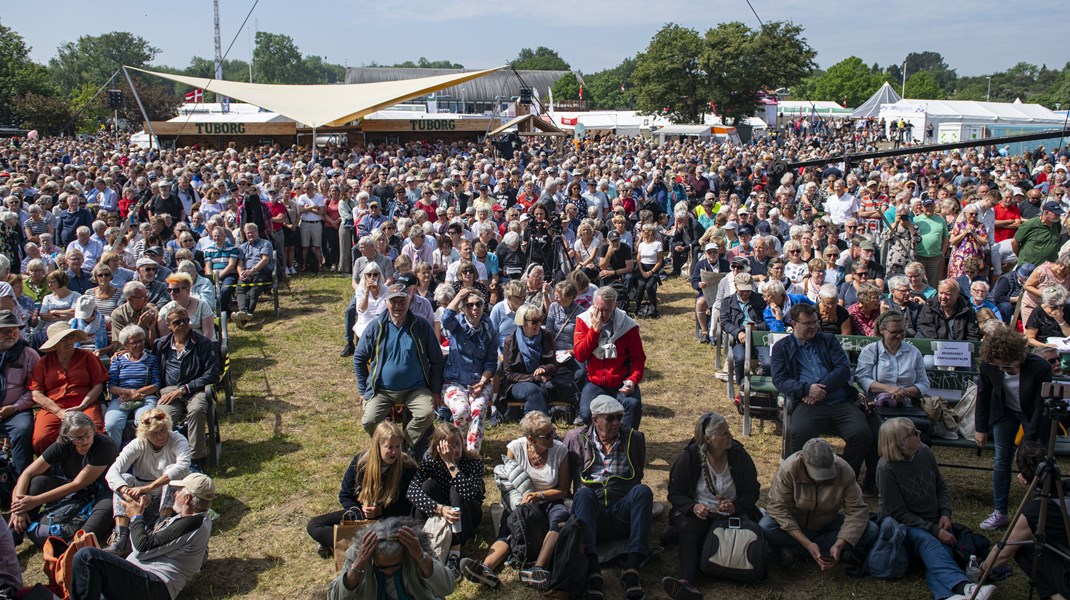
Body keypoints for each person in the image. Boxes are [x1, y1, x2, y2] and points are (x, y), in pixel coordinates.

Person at [875, 418, 996, 600]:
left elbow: (940, 486)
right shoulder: (886, 468)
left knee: (940, 552)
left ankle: (948, 597)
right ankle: (967, 588)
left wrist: (945, 513)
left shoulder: (924, 452)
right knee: (931, 543)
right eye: (914, 433)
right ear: (900, 443)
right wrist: (934, 530)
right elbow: (897, 512)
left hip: (935, 520)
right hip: (905, 525)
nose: (919, 435)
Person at [459, 411, 571, 590]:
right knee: (508, 528)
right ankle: (486, 568)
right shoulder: (515, 448)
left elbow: (563, 489)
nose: (553, 437)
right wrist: (520, 503)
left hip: (550, 499)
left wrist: (539, 495)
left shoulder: (560, 451)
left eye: (553, 431)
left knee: (559, 518)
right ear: (531, 439)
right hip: (520, 501)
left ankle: (538, 568)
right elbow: (507, 482)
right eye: (547, 435)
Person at [662, 412, 761, 600]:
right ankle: (686, 582)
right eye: (723, 433)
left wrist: (736, 506)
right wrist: (693, 507)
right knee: (689, 528)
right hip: (701, 514)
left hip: (732, 516)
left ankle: (677, 536)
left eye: (728, 431)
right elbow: (675, 493)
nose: (729, 436)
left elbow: (752, 492)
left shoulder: (738, 455)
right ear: (708, 439)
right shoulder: (690, 457)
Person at [70, 473, 214, 600]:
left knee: (87, 557)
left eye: (179, 491)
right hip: (145, 583)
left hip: (152, 586)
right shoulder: (197, 520)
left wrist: (136, 517)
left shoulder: (192, 523)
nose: (175, 494)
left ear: (187, 499)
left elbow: (142, 549)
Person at [564, 395, 652, 600]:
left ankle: (632, 568)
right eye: (610, 419)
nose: (616, 423)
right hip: (590, 513)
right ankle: (593, 568)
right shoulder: (575, 438)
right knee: (583, 493)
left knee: (642, 491)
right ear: (595, 419)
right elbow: (567, 477)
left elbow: (638, 474)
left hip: (621, 511)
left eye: (619, 418)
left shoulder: (634, 438)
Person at [770, 303, 873, 478]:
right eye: (807, 323)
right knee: (799, 432)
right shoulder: (782, 347)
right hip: (807, 404)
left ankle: (845, 477)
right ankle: (801, 477)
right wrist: (806, 389)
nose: (813, 327)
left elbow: (843, 369)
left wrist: (818, 390)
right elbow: (780, 380)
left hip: (838, 400)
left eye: (815, 322)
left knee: (862, 433)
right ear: (794, 324)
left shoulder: (828, 340)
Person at [975, 326, 1053, 531]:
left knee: (1037, 460)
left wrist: (1027, 443)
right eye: (999, 367)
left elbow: (1040, 406)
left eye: (1008, 366)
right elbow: (983, 395)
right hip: (1004, 412)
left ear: (1019, 355)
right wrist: (980, 428)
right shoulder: (989, 365)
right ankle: (1000, 511)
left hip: (1033, 415)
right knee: (1001, 459)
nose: (1003, 370)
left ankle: (1040, 511)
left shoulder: (1040, 367)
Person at [761, 438, 877, 570]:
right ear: (803, 460)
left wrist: (840, 542)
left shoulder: (844, 470)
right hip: (794, 525)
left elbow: (857, 510)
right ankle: (819, 548)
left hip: (827, 523)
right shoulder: (788, 469)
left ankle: (797, 551)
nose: (821, 479)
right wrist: (807, 543)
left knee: (870, 530)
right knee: (766, 527)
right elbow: (778, 509)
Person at [306, 421, 417, 558]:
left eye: (398, 446)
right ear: (378, 446)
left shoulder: (407, 467)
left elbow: (410, 505)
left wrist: (382, 510)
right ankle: (356, 545)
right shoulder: (361, 462)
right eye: (389, 447)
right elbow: (345, 495)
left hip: (390, 520)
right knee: (314, 525)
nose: (394, 452)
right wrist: (359, 512)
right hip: (361, 518)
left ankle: (347, 545)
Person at [354, 284, 443, 452]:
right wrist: (362, 390)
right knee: (369, 420)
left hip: (416, 389)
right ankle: (387, 445)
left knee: (427, 413)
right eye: (393, 302)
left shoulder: (421, 325)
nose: (398, 306)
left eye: (402, 301)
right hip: (382, 390)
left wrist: (436, 390)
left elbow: (437, 360)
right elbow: (359, 358)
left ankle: (402, 445)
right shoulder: (376, 326)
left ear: (408, 301)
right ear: (386, 303)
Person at [8, 411, 117, 544]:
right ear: (68, 437)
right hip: (71, 488)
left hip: (101, 491)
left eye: (87, 434)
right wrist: (18, 508)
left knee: (107, 506)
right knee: (37, 482)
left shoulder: (105, 446)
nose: (84, 440)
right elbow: (27, 473)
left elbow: (79, 483)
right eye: (77, 437)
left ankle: (75, 545)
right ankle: (12, 537)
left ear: (93, 430)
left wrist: (35, 500)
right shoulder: (63, 444)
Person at [980, 441, 1069, 599]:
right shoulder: (1066, 487)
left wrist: (982, 569)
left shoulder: (1036, 510)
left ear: (1023, 478)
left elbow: (1003, 551)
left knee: (1023, 548)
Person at [103, 408, 191, 556]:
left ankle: (162, 525)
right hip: (145, 499)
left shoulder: (177, 439)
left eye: (163, 430)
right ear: (145, 434)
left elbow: (183, 466)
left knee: (172, 472)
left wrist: (148, 487)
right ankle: (121, 536)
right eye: (154, 433)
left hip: (171, 496)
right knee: (124, 478)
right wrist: (125, 490)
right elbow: (112, 472)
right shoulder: (138, 444)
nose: (160, 436)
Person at [406, 422, 484, 582]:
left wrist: (451, 464)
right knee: (427, 485)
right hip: (441, 510)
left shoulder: (474, 461)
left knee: (458, 488)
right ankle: (422, 542)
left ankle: (455, 553)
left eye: (457, 443)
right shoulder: (431, 461)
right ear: (439, 448)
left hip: (467, 514)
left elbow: (470, 493)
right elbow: (411, 490)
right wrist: (439, 508)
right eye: (448, 446)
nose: (455, 450)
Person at [152, 306, 220, 472]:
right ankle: (167, 457)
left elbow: (213, 373)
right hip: (169, 392)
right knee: (162, 417)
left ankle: (196, 460)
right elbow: (151, 366)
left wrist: (185, 388)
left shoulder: (203, 343)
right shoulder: (161, 345)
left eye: (185, 320)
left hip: (196, 389)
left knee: (196, 411)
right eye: (177, 322)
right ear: (169, 326)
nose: (182, 324)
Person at [329, 516, 454, 600]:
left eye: (395, 565)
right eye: (382, 567)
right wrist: (358, 564)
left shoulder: (415, 550)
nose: (389, 571)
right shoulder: (358, 554)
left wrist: (421, 558)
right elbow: (334, 597)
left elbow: (447, 588)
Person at [30, 321, 108, 454]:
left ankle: (93, 467)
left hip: (85, 404)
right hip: (54, 407)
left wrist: (83, 405)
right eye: (63, 339)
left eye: (71, 337)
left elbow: (98, 385)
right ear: (55, 344)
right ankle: (52, 468)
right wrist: (59, 412)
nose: (68, 341)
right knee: (41, 438)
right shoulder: (43, 363)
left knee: (94, 432)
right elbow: (36, 394)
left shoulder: (87, 357)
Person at [574, 286, 646, 429]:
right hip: (594, 382)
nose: (602, 314)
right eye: (599, 309)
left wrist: (633, 380)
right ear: (593, 305)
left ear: (615, 306)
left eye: (607, 310)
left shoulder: (627, 326)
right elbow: (580, 355)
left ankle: (626, 445)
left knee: (632, 405)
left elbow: (638, 358)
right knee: (586, 413)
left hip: (620, 381)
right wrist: (594, 331)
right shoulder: (584, 321)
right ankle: (597, 444)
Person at [439, 287, 496, 453]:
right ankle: (460, 449)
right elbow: (445, 318)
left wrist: (483, 382)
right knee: (462, 411)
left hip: (479, 381)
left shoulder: (488, 328)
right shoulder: (457, 324)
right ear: (463, 308)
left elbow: (491, 361)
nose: (475, 308)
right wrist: (459, 296)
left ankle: (472, 455)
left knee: (477, 411)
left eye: (478, 304)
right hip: (454, 381)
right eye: (470, 305)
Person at [501, 303, 574, 417]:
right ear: (523, 322)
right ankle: (543, 427)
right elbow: (509, 374)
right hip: (518, 383)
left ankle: (535, 426)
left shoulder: (546, 336)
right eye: (534, 322)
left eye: (540, 320)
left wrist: (544, 368)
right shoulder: (510, 341)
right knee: (533, 390)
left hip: (544, 381)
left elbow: (553, 365)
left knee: (548, 388)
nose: (539, 324)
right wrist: (535, 377)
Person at [104, 324, 160, 449]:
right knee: (112, 424)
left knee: (144, 421)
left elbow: (156, 385)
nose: (139, 345)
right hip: (121, 398)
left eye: (141, 341)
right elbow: (111, 386)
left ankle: (144, 453)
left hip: (146, 396)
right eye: (134, 342)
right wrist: (128, 393)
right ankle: (115, 457)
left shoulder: (151, 359)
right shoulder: (118, 361)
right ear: (125, 345)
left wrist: (134, 394)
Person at [0, 310, 39, 474]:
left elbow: (36, 389)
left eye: (14, 330)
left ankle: (19, 480)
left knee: (22, 430)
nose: (11, 334)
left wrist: (15, 407)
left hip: (16, 410)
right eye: (5, 331)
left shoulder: (29, 354)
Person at [233, 222, 274, 325]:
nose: (250, 235)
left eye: (252, 232)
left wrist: (253, 270)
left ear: (257, 232)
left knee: (253, 292)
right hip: (247, 272)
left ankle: (244, 317)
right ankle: (243, 312)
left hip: (262, 271)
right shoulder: (242, 247)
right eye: (248, 233)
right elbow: (240, 264)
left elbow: (265, 260)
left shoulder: (265, 243)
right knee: (240, 288)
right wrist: (241, 273)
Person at [917, 279, 982, 341]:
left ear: (957, 294)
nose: (943, 297)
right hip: (936, 348)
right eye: (941, 293)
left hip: (960, 349)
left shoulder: (967, 308)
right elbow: (927, 329)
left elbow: (973, 333)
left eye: (947, 294)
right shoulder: (930, 306)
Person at [1013, 201, 1063, 268]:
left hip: (1049, 268)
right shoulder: (1030, 224)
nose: (1059, 216)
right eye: (1056, 214)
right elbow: (1014, 242)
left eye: (1059, 214)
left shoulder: (1056, 224)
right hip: (1029, 267)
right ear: (1045, 212)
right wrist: (1021, 256)